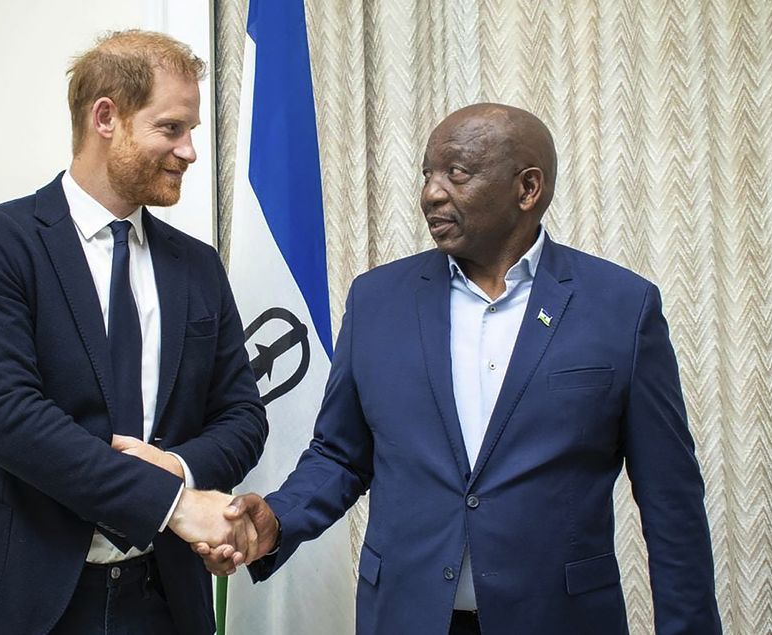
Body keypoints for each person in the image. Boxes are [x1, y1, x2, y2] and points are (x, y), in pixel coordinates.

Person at [198, 103, 722, 634]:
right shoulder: (377, 299)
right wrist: (277, 519)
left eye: (457, 172)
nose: (431, 192)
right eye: (427, 173)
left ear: (528, 188)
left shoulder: (621, 309)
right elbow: (341, 454)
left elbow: (670, 499)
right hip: (406, 617)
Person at [0, 30, 267, 635]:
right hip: (25, 598)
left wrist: (176, 467)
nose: (190, 151)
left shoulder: (197, 266)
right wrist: (173, 505)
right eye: (172, 128)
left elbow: (243, 416)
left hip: (164, 600)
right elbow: (8, 419)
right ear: (106, 117)